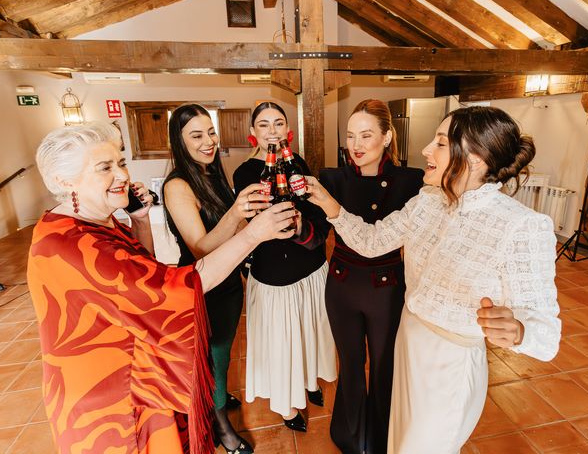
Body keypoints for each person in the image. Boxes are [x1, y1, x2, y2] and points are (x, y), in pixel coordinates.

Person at [28, 122, 296, 454]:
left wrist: (139, 220)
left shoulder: (93, 221)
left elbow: (140, 273)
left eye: (121, 162)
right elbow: (169, 289)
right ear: (64, 181)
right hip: (112, 400)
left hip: (136, 376)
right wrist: (254, 233)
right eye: (105, 168)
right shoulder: (69, 245)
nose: (122, 175)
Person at [306, 106, 561, 453]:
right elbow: (372, 242)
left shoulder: (521, 225)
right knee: (398, 443)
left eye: (440, 143)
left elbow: (547, 336)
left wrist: (518, 330)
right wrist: (327, 203)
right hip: (407, 341)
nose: (426, 150)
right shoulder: (428, 200)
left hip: (449, 363)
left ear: (474, 160)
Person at [318, 99, 424, 453]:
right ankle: (350, 434)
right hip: (342, 286)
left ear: (387, 137)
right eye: (351, 136)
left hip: (387, 289)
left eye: (366, 135)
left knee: (383, 367)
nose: (357, 145)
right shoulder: (331, 179)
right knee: (350, 364)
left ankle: (380, 438)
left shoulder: (413, 182)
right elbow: (315, 233)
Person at [163, 104, 269, 454]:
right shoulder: (178, 185)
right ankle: (222, 427)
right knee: (216, 354)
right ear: (179, 142)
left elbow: (231, 231)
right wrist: (237, 212)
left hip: (228, 283)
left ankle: (217, 392)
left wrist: (251, 215)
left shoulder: (211, 174)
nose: (208, 141)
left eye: (210, 132)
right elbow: (200, 248)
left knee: (218, 354)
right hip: (204, 287)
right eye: (196, 135)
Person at [232, 102, 337, 432]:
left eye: (278, 123)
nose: (272, 130)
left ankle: (308, 384)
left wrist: (306, 220)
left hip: (310, 269)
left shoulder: (298, 163)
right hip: (275, 276)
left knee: (308, 334)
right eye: (264, 125)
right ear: (253, 133)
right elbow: (256, 221)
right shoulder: (246, 174)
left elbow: (313, 207)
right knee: (283, 346)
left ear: (287, 129)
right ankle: (288, 407)